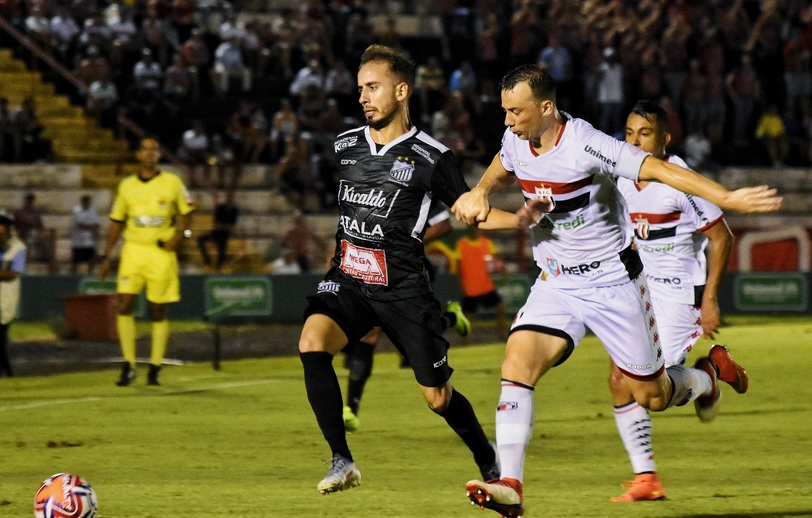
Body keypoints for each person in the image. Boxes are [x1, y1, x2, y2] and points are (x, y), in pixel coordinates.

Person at [453, 64, 780, 518]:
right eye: (505, 111)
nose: (507, 121)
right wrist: (481, 190)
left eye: (516, 112)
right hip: (558, 282)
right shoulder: (515, 139)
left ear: (546, 108)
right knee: (517, 362)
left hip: (614, 284)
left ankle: (707, 377)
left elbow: (659, 171)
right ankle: (511, 485)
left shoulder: (587, 143)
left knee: (651, 395)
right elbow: (502, 165)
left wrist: (726, 199)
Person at [299, 44, 514, 496]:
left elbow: (468, 210)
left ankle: (488, 458)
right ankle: (343, 460)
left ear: (401, 91)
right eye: (360, 89)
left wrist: (518, 220)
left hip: (403, 291)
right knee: (312, 342)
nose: (363, 97)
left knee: (438, 398)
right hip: (351, 279)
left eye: (373, 87)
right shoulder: (346, 146)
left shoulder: (432, 157)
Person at [608, 100, 738, 502]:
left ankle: (710, 377)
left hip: (677, 297)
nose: (634, 142)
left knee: (653, 394)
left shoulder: (680, 180)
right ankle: (646, 478)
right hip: (637, 292)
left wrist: (710, 300)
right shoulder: (622, 177)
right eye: (629, 134)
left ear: (665, 138)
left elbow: (722, 237)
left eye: (644, 134)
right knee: (619, 380)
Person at [341, 202, 472, 433]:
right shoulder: (370, 185)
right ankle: (351, 407)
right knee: (370, 331)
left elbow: (444, 225)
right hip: (376, 269)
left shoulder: (418, 182)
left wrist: (407, 242)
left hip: (411, 270)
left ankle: (451, 318)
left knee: (416, 335)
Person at [98, 137, 195, 387]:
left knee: (158, 310)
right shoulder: (127, 186)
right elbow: (116, 222)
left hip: (160, 253)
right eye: (145, 149)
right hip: (133, 251)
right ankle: (129, 364)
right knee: (124, 304)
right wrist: (106, 256)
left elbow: (188, 213)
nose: (150, 153)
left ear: (159, 155)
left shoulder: (172, 182)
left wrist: (179, 238)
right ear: (138, 155)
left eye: (154, 149)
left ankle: (154, 365)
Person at [455, 225, 508, 339]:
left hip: (485, 286)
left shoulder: (486, 243)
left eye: (477, 228)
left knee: (501, 307)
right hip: (470, 287)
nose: (476, 231)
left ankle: (501, 334)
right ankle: (465, 340)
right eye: (473, 228)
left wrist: (503, 271)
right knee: (467, 315)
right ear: (469, 230)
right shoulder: (462, 244)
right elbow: (458, 268)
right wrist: (461, 285)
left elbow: (497, 260)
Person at [0, 214, 26, 377]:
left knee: (1, 335)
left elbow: (14, 273)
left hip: (6, 296)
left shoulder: (18, 248)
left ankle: (7, 371)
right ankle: (7, 372)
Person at [197, 190, 239, 271]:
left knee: (222, 253)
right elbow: (216, 225)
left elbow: (231, 227)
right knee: (200, 239)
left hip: (224, 236)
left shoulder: (234, 210)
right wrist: (225, 226)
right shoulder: (220, 208)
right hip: (215, 234)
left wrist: (223, 226)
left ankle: (218, 268)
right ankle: (207, 260)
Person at [69, 194, 101, 274]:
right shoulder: (76, 210)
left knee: (92, 258)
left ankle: (90, 274)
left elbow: (97, 224)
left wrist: (95, 230)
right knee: (76, 261)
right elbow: (80, 225)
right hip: (78, 241)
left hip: (89, 241)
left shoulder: (92, 210)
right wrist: (91, 227)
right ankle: (73, 276)